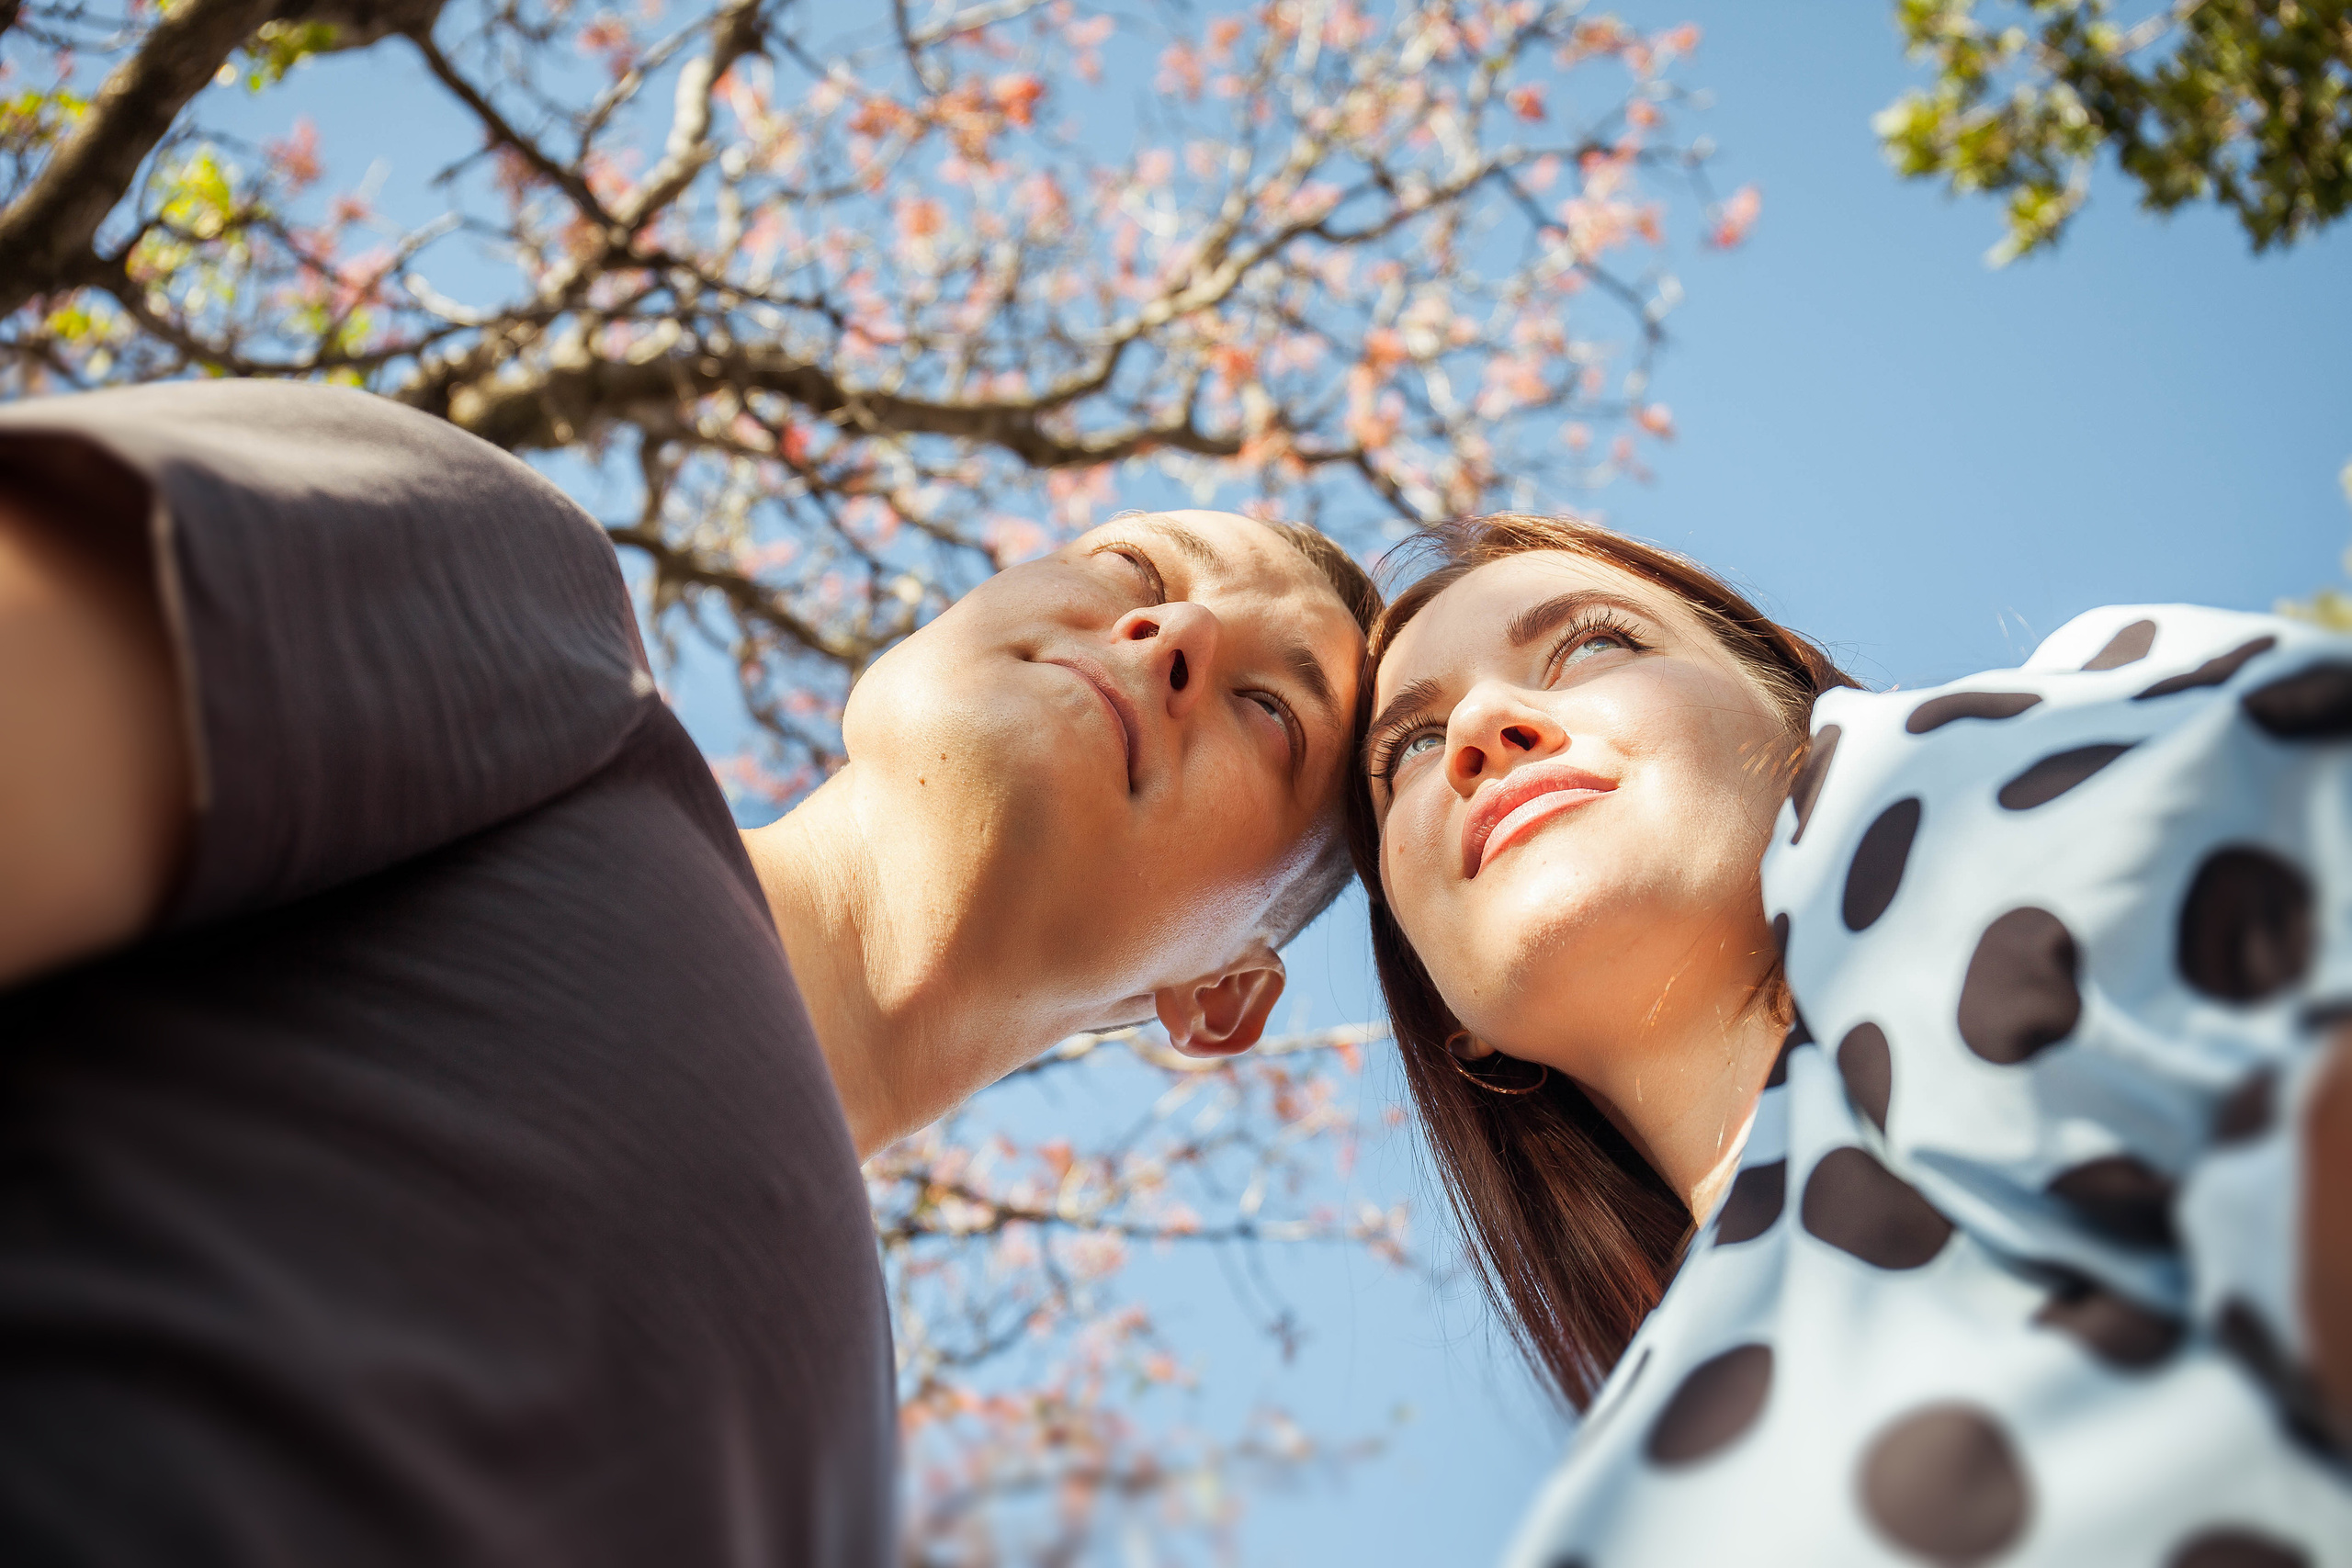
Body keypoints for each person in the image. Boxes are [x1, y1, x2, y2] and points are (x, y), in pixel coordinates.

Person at [0, 378, 1376, 1565]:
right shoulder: (522, 621)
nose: (1173, 636)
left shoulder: (837, 1494)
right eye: (1139, 569)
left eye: (1271, 708)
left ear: (1225, 997)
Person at [1346, 513, 2352, 1565]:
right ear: (1445, 1009)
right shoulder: (1630, 1494)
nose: (1481, 727)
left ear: (1798, 713)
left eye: (1594, 643)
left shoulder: (2005, 781)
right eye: (1409, 749)